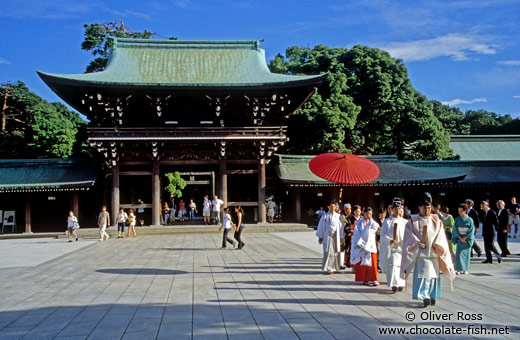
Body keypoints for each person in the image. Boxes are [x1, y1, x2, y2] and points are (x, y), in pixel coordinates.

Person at [401, 192, 455, 308]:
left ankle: (433, 295)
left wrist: (437, 244)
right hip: (422, 255)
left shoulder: (437, 221)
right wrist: (417, 243)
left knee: (434, 277)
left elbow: (441, 236)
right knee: (423, 276)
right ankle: (424, 295)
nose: (427, 210)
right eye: (425, 207)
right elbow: (408, 237)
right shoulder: (412, 221)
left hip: (433, 254)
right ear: (419, 207)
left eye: (429, 208)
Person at [380, 198, 407, 293]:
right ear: (392, 209)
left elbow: (408, 235)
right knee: (394, 266)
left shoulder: (405, 222)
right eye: (395, 209)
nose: (397, 210)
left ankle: (401, 283)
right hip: (393, 249)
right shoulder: (387, 221)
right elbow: (383, 235)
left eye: (399, 209)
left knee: (402, 266)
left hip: (402, 248)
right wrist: (389, 240)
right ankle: (394, 284)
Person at [351, 207, 379, 286]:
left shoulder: (373, 222)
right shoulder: (359, 223)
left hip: (370, 245)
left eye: (370, 213)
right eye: (367, 213)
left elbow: (375, 228)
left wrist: (370, 221)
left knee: (372, 263)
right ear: (364, 213)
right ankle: (365, 279)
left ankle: (374, 279)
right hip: (362, 244)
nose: (369, 215)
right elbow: (357, 233)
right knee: (364, 263)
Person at [316, 200, 345, 274]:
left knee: (335, 251)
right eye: (331, 206)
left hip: (336, 236)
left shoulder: (338, 216)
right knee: (328, 251)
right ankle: (329, 268)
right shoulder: (325, 216)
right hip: (328, 236)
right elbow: (321, 227)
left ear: (336, 207)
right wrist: (320, 237)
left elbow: (341, 227)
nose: (332, 208)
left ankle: (335, 267)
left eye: (334, 206)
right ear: (328, 207)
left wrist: (342, 237)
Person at [452, 203, 475, 275]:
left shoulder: (470, 220)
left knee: (466, 254)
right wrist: (459, 237)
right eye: (459, 211)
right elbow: (455, 229)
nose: (459, 212)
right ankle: (458, 268)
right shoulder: (457, 219)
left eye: (461, 211)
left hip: (466, 239)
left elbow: (471, 230)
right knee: (458, 254)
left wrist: (465, 237)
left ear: (465, 211)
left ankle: (465, 269)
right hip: (459, 238)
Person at [340, 203, 352, 268]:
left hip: (351, 235)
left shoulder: (352, 217)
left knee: (350, 249)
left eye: (349, 209)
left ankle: (349, 262)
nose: (347, 210)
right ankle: (343, 262)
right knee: (343, 249)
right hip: (344, 235)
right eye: (346, 209)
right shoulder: (341, 217)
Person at [376, 208, 386, 273]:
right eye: (381, 214)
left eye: (384, 213)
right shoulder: (377, 222)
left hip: (385, 239)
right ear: (379, 214)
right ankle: (378, 265)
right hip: (378, 239)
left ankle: (384, 266)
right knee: (379, 252)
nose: (382, 215)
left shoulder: (387, 221)